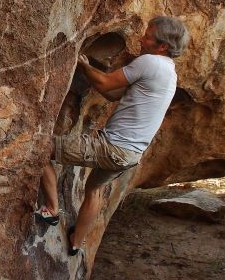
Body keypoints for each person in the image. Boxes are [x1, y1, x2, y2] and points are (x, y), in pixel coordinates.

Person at [35, 16, 190, 259]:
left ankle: (52, 210)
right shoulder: (169, 73)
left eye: (148, 37)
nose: (141, 38)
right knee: (94, 189)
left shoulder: (150, 62)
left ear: (162, 46)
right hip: (129, 155)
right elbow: (111, 93)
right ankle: (77, 242)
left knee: (42, 149)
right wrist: (90, 71)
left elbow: (106, 82)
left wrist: (83, 64)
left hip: (113, 147)